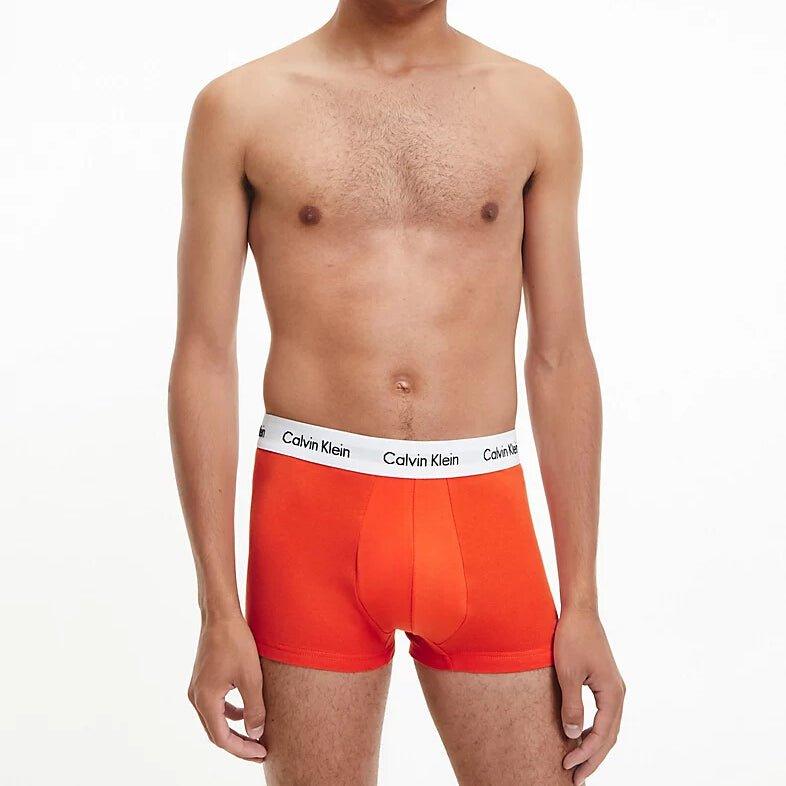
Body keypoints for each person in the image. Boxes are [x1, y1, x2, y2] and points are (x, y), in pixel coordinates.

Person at [169, 1, 625, 783]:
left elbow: (559, 357)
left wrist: (581, 600)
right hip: (310, 521)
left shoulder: (533, 105)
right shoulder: (242, 107)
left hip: (483, 515)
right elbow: (205, 357)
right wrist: (218, 610)